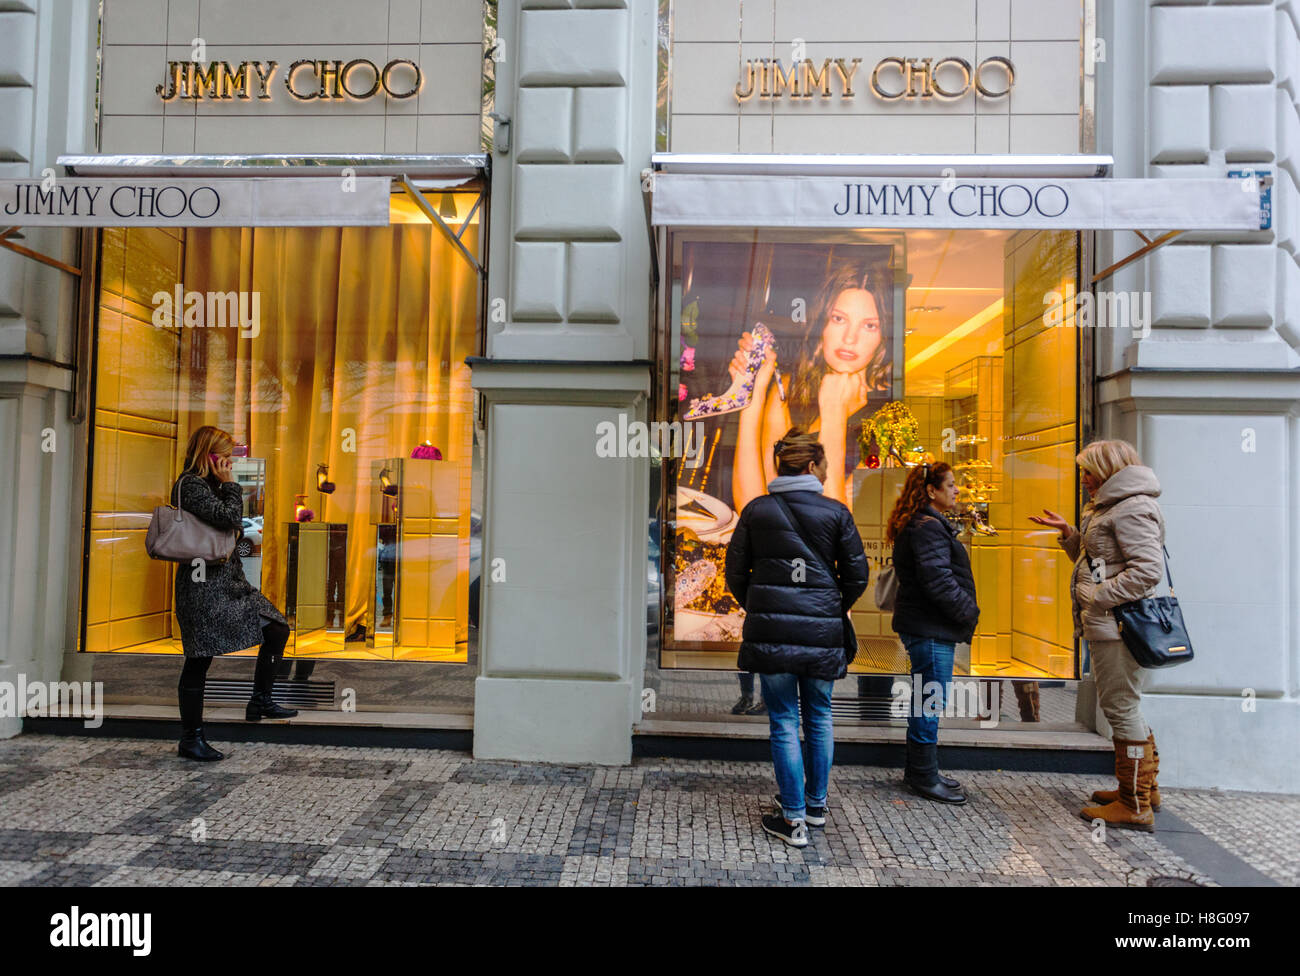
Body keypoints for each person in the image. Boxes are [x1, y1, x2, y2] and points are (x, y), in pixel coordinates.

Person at [725, 428, 869, 847]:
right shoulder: (836, 513)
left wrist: (762, 604)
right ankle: (814, 807)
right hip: (821, 633)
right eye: (824, 465)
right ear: (810, 466)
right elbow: (857, 576)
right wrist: (827, 604)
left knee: (784, 720)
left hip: (771, 634)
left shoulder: (757, 511)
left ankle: (792, 818)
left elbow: (735, 573)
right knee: (820, 717)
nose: (827, 472)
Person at [1030, 439, 1165, 831]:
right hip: (1109, 623)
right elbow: (1102, 562)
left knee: (1120, 708)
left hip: (1120, 627)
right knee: (1126, 706)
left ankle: (1134, 803)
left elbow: (1147, 571)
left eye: (1088, 471)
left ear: (1108, 469)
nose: (1083, 479)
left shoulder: (1132, 507)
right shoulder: (1110, 506)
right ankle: (1143, 789)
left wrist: (1098, 598)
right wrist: (1071, 535)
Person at [171, 425, 298, 762]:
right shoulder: (191, 486)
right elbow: (231, 520)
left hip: (229, 584)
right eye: (224, 455)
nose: (229, 461)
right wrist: (230, 485)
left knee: (277, 628)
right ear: (208, 455)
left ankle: (260, 700)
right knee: (198, 660)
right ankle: (191, 738)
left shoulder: (209, 486)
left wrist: (226, 485)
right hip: (202, 587)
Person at [730, 260, 893, 511]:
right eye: (839, 319)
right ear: (823, 324)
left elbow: (832, 528)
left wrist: (834, 415)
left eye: (869, 325)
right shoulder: (791, 390)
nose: (850, 338)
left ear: (883, 336)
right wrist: (751, 394)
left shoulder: (888, 422)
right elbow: (751, 506)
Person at [887, 461, 978, 804]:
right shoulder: (927, 526)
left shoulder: (925, 523)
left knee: (927, 697)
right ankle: (923, 776)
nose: (956, 490)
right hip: (931, 627)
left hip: (929, 625)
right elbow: (937, 580)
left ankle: (921, 771)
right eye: (951, 484)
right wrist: (968, 611)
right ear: (931, 491)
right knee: (930, 700)